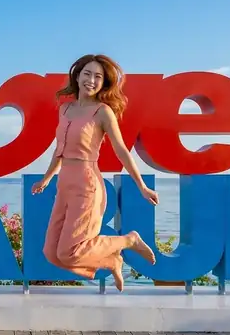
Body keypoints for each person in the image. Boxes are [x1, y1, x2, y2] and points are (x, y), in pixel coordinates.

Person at [31, 54, 159, 292]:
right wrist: (46, 179)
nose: (91, 80)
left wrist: (141, 186)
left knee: (69, 253)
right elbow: (59, 150)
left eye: (98, 77)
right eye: (87, 74)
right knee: (52, 253)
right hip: (64, 185)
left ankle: (129, 240)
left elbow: (122, 151)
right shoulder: (65, 109)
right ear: (77, 76)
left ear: (103, 83)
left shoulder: (102, 112)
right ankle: (111, 261)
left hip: (87, 184)